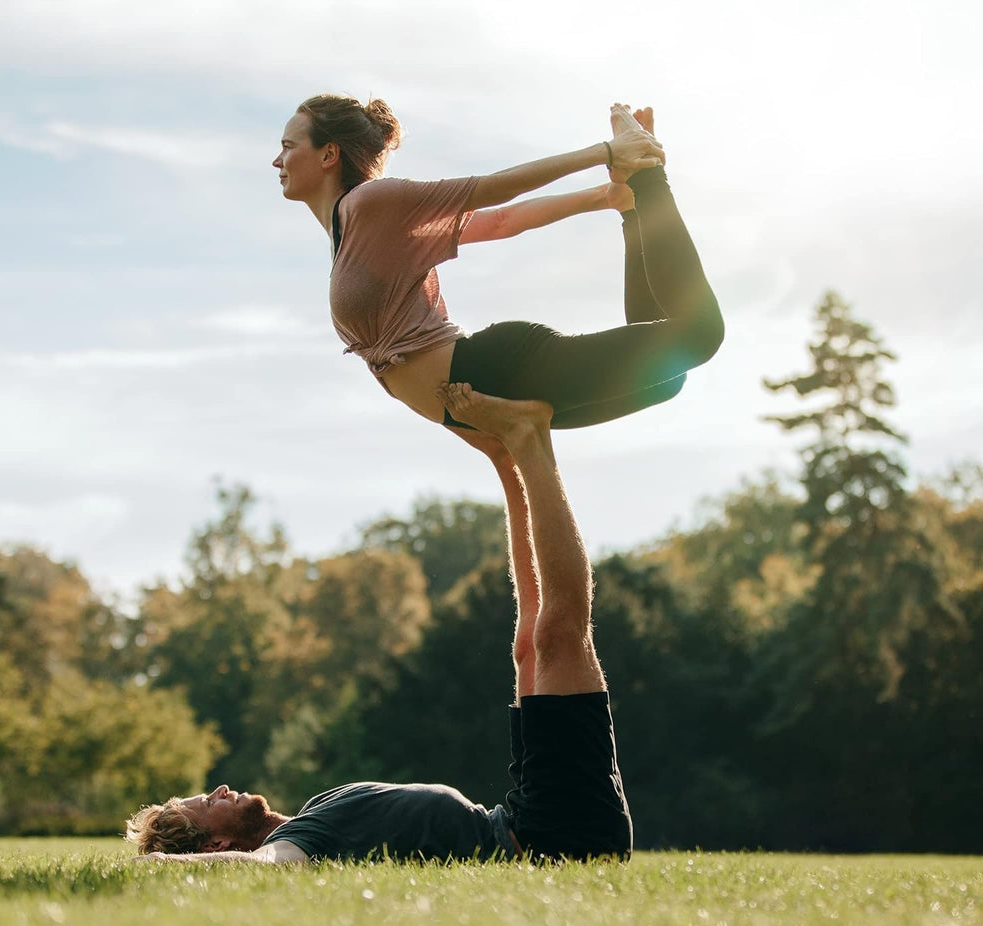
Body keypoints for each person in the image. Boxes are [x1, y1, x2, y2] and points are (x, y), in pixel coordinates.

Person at [126, 385, 632, 863]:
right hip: (558, 834)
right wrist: (158, 866)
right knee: (559, 632)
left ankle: (509, 459)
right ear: (216, 844)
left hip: (523, 809)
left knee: (530, 640)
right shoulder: (300, 841)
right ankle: (528, 436)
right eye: (205, 803)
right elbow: (262, 866)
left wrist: (500, 464)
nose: (219, 789)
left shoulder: (316, 810)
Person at [274, 96, 723, 429]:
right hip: (480, 401)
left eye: (288, 145)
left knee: (697, 337)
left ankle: (649, 177)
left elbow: (495, 192)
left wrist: (607, 153)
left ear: (328, 154)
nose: (278, 159)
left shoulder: (372, 201)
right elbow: (501, 224)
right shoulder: (357, 232)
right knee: (666, 378)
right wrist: (607, 199)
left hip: (492, 368)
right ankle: (635, 203)